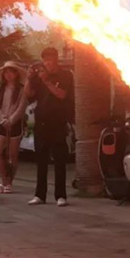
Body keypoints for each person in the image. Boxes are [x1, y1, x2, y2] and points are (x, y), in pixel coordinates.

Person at [26, 47, 74, 207]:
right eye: (45, 60)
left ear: (56, 59)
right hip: (41, 121)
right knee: (41, 159)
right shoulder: (38, 76)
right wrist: (28, 78)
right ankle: (39, 194)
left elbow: (62, 94)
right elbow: (28, 95)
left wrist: (47, 81)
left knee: (59, 160)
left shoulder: (65, 75)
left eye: (51, 59)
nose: (48, 62)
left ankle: (61, 195)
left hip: (58, 122)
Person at [0, 61, 28, 194]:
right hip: (1, 123)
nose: (8, 75)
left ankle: (9, 182)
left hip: (15, 124)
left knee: (12, 155)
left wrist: (11, 120)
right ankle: (3, 179)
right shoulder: (0, 88)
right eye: (6, 72)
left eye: (11, 72)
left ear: (16, 74)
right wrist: (2, 119)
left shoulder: (22, 90)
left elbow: (21, 108)